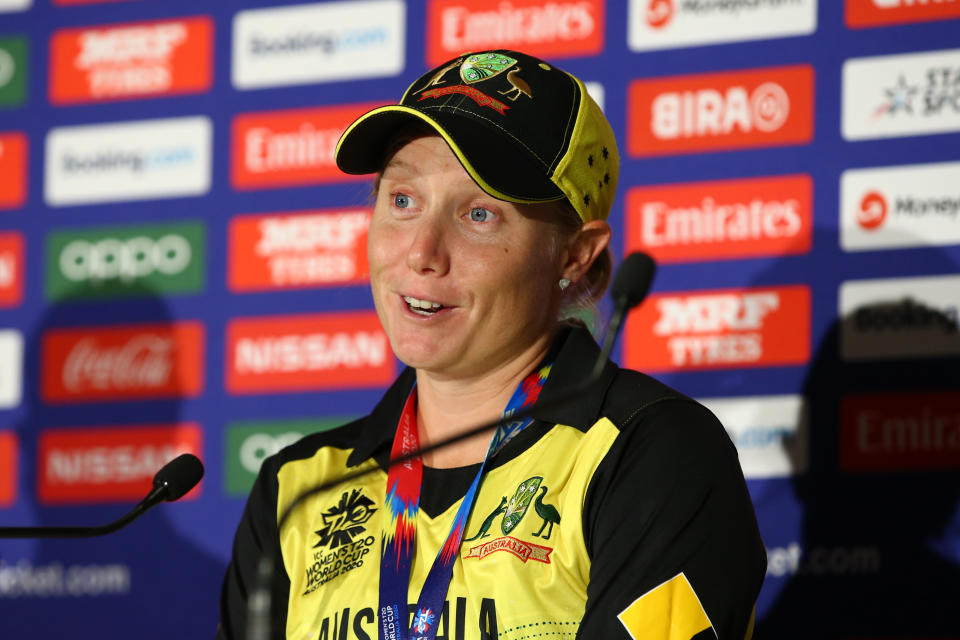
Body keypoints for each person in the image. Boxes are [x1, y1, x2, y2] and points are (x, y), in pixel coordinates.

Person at [217, 49, 766, 640]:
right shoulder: (298, 488)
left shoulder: (648, 454)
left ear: (575, 254)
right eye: (402, 201)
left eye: (479, 214)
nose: (422, 254)